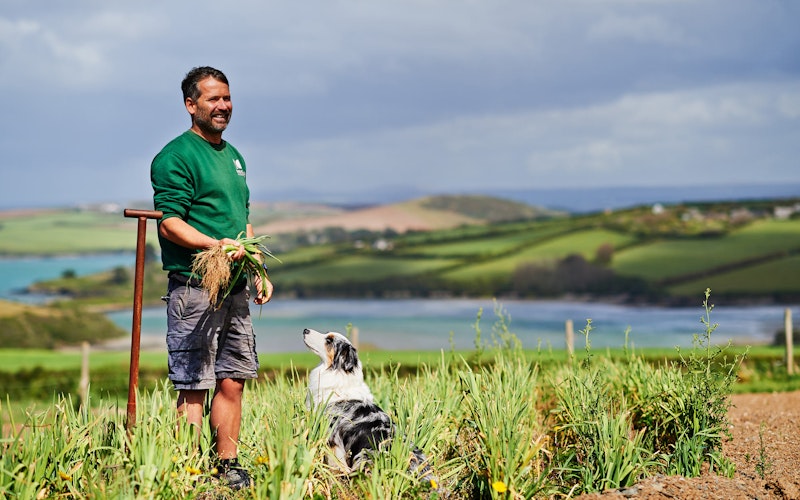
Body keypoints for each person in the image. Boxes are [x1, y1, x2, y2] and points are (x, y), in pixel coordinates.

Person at [150, 66, 273, 490]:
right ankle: (188, 472)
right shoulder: (176, 156)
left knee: (233, 379)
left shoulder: (235, 156)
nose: (223, 106)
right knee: (193, 384)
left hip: (235, 287)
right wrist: (215, 247)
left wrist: (257, 267)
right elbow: (170, 223)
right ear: (191, 105)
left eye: (227, 98)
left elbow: (244, 221)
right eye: (212, 99)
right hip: (195, 287)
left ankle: (228, 466)